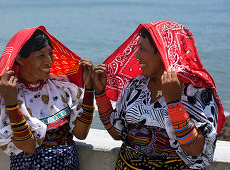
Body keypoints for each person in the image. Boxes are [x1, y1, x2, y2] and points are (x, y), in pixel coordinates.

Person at [92, 20, 225, 169]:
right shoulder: (135, 86)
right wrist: (100, 92)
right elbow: (118, 133)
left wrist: (174, 104)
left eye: (142, 49)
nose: (137, 56)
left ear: (164, 52)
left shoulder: (198, 94)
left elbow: (195, 150)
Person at [0, 26, 94, 169]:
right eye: (40, 55)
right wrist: (12, 105)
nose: (49, 61)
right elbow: (28, 147)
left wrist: (89, 89)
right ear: (20, 58)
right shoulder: (10, 96)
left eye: (50, 54)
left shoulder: (61, 88)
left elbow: (80, 133)